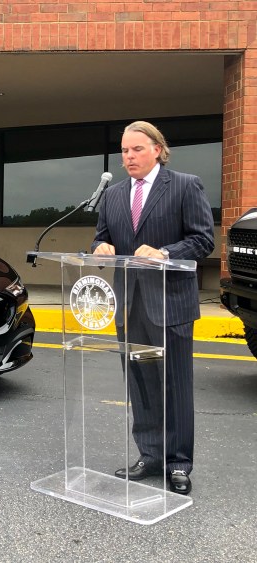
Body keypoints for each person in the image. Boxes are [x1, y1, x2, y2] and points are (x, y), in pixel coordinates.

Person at [92, 121, 214, 495]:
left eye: (137, 149)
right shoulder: (113, 195)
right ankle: (150, 454)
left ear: (157, 150)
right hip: (130, 307)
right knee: (141, 383)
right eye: (124, 151)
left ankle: (178, 462)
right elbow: (101, 238)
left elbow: (203, 240)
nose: (129, 156)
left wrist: (164, 253)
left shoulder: (185, 185)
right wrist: (99, 248)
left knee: (174, 386)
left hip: (170, 305)